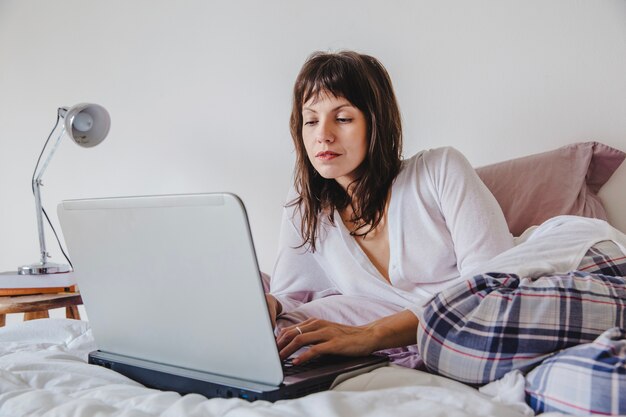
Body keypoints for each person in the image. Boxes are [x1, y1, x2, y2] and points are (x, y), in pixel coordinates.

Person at [264, 50, 514, 364]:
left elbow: (491, 289)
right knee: (285, 335)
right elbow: (292, 293)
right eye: (311, 120)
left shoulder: (439, 170)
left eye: (342, 118)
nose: (322, 135)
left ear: (375, 122)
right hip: (378, 322)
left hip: (467, 324)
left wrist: (370, 336)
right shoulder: (307, 205)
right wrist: (270, 305)